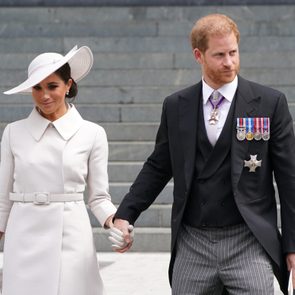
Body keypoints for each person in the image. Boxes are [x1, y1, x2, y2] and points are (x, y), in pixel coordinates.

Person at [112, 13, 295, 294]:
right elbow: (159, 166)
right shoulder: (176, 106)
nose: (230, 62)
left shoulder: (270, 103)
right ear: (198, 55)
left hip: (248, 239)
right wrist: (126, 213)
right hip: (193, 241)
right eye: (219, 55)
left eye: (233, 52)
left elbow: (289, 178)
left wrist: (293, 246)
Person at [0, 45, 117, 295]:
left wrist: (116, 223)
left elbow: (98, 198)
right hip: (23, 235)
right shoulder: (13, 132)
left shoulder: (92, 133)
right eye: (37, 88)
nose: (44, 96)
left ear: (68, 85)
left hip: (72, 235)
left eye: (52, 86)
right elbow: (2, 197)